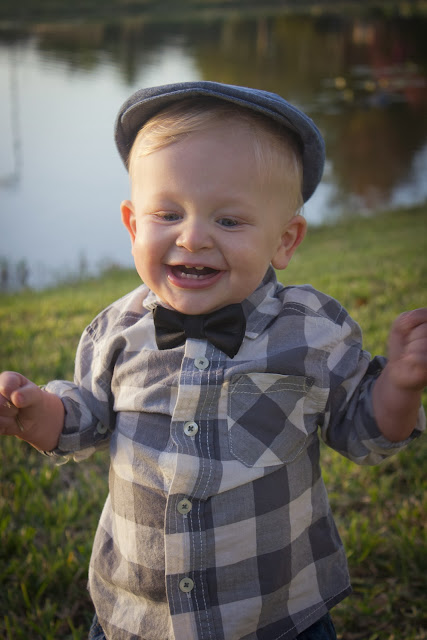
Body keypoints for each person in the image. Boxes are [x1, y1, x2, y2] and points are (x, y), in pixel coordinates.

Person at [0, 81, 426, 640]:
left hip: (277, 617)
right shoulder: (117, 331)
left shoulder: (311, 331)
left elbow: (365, 433)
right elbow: (85, 416)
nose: (194, 238)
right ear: (133, 225)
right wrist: (39, 415)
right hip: (138, 617)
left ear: (285, 240)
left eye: (228, 221)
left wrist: (398, 386)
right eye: (167, 214)